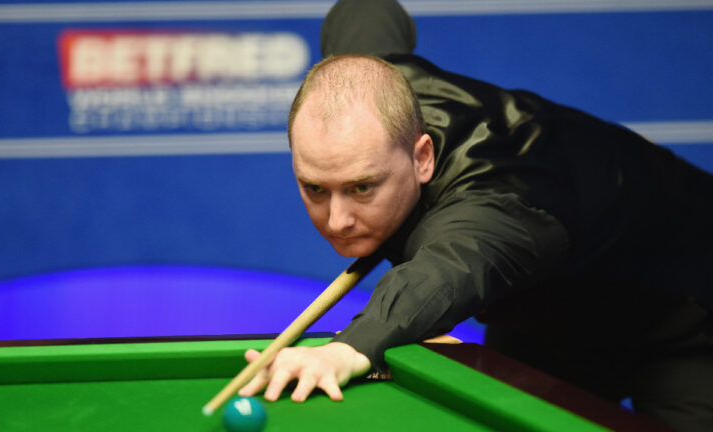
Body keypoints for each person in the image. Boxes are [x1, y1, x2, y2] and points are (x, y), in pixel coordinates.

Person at [239, 1, 713, 430]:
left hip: (680, 310)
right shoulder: (371, 84)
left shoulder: (495, 207)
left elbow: (448, 271)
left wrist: (348, 348)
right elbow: (366, 12)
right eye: (315, 188)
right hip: (543, 315)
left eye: (362, 187)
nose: (337, 219)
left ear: (422, 158)